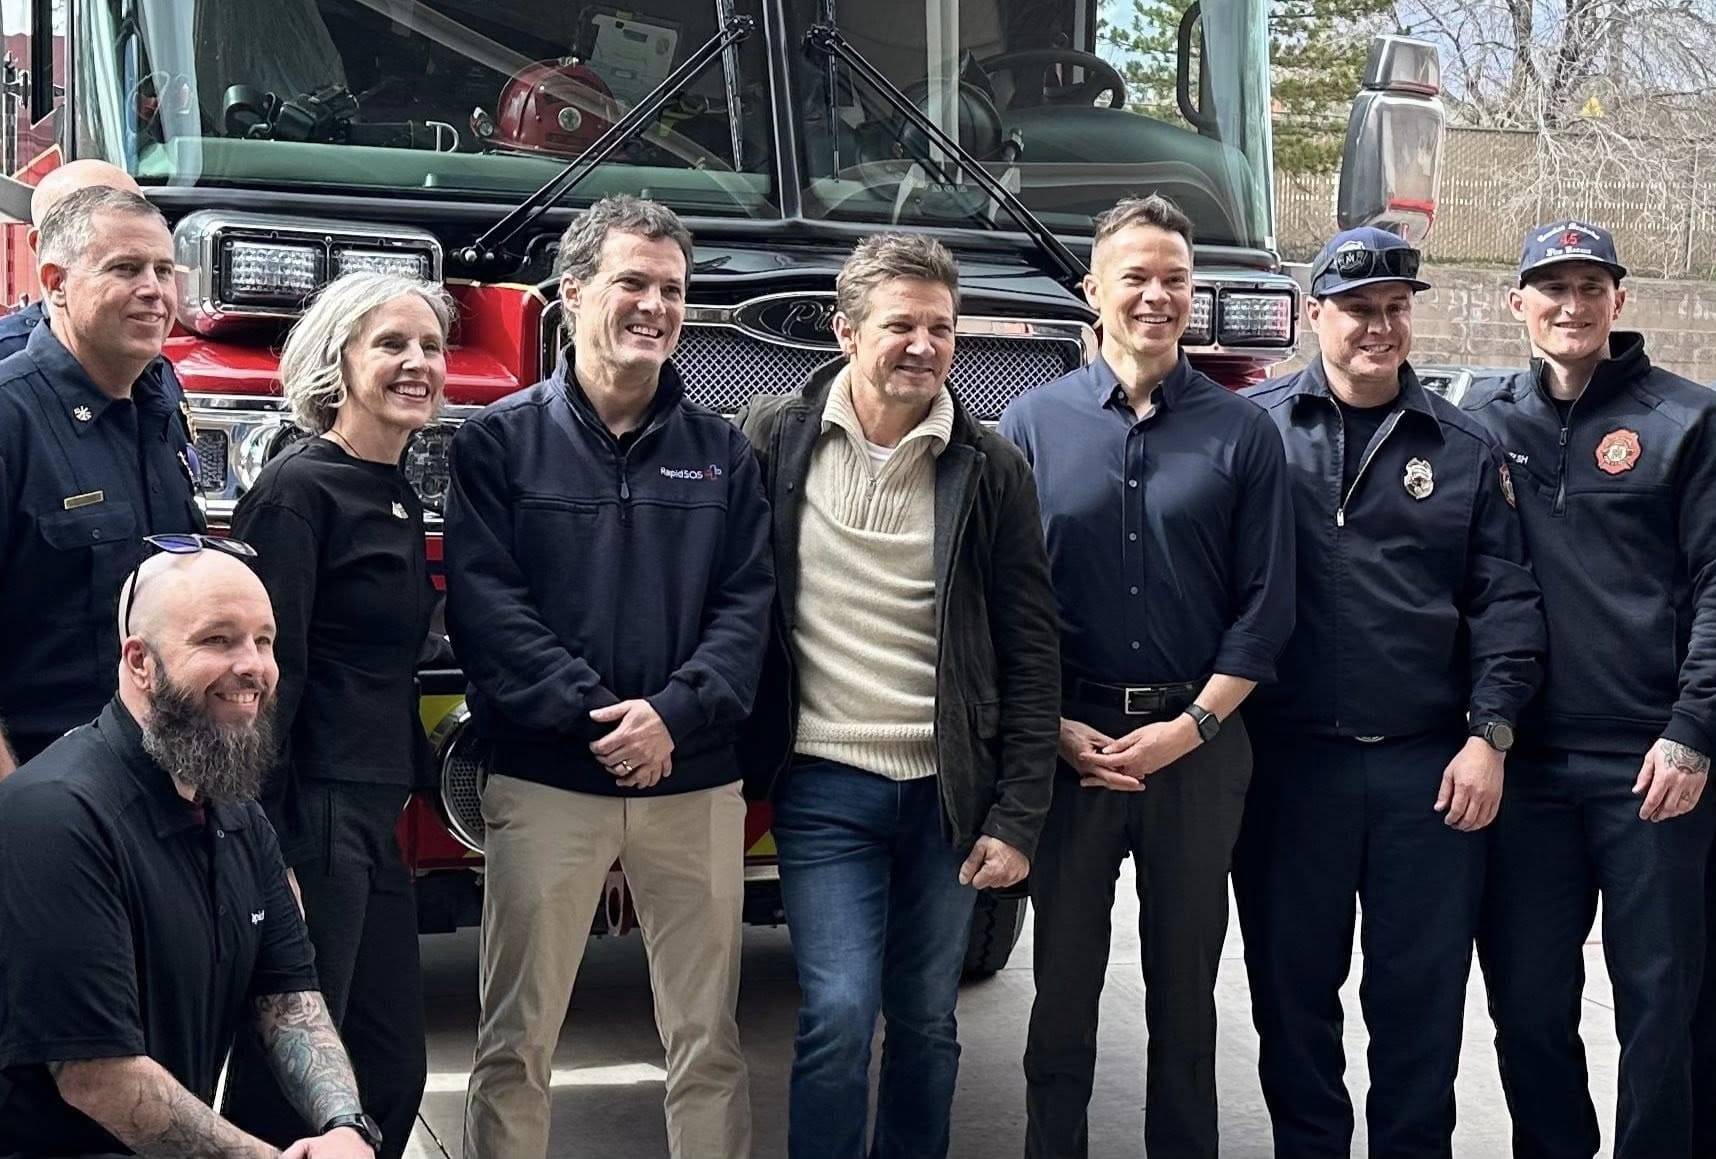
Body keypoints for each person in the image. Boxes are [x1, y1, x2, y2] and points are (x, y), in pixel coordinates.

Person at [447, 195, 772, 1159]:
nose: (655, 305)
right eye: (632, 281)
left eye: (672, 288)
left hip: (694, 783)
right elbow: (488, 610)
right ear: (573, 290)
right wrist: (604, 720)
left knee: (708, 1041)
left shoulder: (726, 456)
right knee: (515, 1044)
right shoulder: (496, 444)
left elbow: (749, 609)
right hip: (548, 782)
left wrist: (674, 716)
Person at [736, 233, 1060, 1159]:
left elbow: (1032, 652)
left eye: (942, 328)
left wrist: (1018, 814)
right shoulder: (774, 440)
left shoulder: (990, 468)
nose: (924, 345)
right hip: (825, 786)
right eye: (900, 325)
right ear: (844, 332)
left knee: (926, 1018)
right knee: (837, 1010)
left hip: (948, 796)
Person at [1234, 228, 1546, 1157]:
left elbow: (1505, 604)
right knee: (1292, 1006)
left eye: (1396, 308)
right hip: (1288, 770)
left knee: (1419, 1008)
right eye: (1360, 309)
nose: (1380, 326)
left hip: (1427, 774)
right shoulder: (1256, 432)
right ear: (1316, 315)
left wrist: (1489, 735)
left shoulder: (1463, 446)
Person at [999, 192, 1295, 1159]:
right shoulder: (1030, 426)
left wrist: (1190, 730)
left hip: (1197, 751)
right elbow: (1005, 600)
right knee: (1062, 998)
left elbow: (1266, 609)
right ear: (1094, 288)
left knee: (1185, 998)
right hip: (1069, 750)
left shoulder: (1244, 433)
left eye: (1175, 278)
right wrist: (1048, 730)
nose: (1156, 295)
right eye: (1136, 275)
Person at [1464, 220, 1716, 1159]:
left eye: (1589, 286)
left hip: (1655, 766)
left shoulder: (1688, 421)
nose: (1570, 306)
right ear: (1517, 303)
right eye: (1550, 287)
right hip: (1525, 770)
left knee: (1664, 1007)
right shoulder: (1485, 424)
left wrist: (1693, 728)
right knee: (1527, 1004)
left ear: (1621, 300)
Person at [0, 544, 382, 1158]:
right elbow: (99, 1078)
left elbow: (288, 998)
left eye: (265, 640)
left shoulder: (234, 812)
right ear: (140, 662)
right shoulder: (55, 815)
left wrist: (343, 1125)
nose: (253, 665)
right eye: (218, 640)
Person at [219, 273, 449, 1159]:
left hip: (374, 813)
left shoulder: (394, 489)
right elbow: (262, 685)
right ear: (337, 361)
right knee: (296, 1083)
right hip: (311, 816)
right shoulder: (297, 492)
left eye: (429, 346)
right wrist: (268, 850)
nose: (417, 362)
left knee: (389, 1070)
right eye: (391, 344)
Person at [0, 185, 203, 777]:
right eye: (126, 268)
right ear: (56, 282)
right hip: (43, 785)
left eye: (165, 270)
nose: (155, 290)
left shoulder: (161, 413)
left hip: (158, 780)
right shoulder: (11, 419)